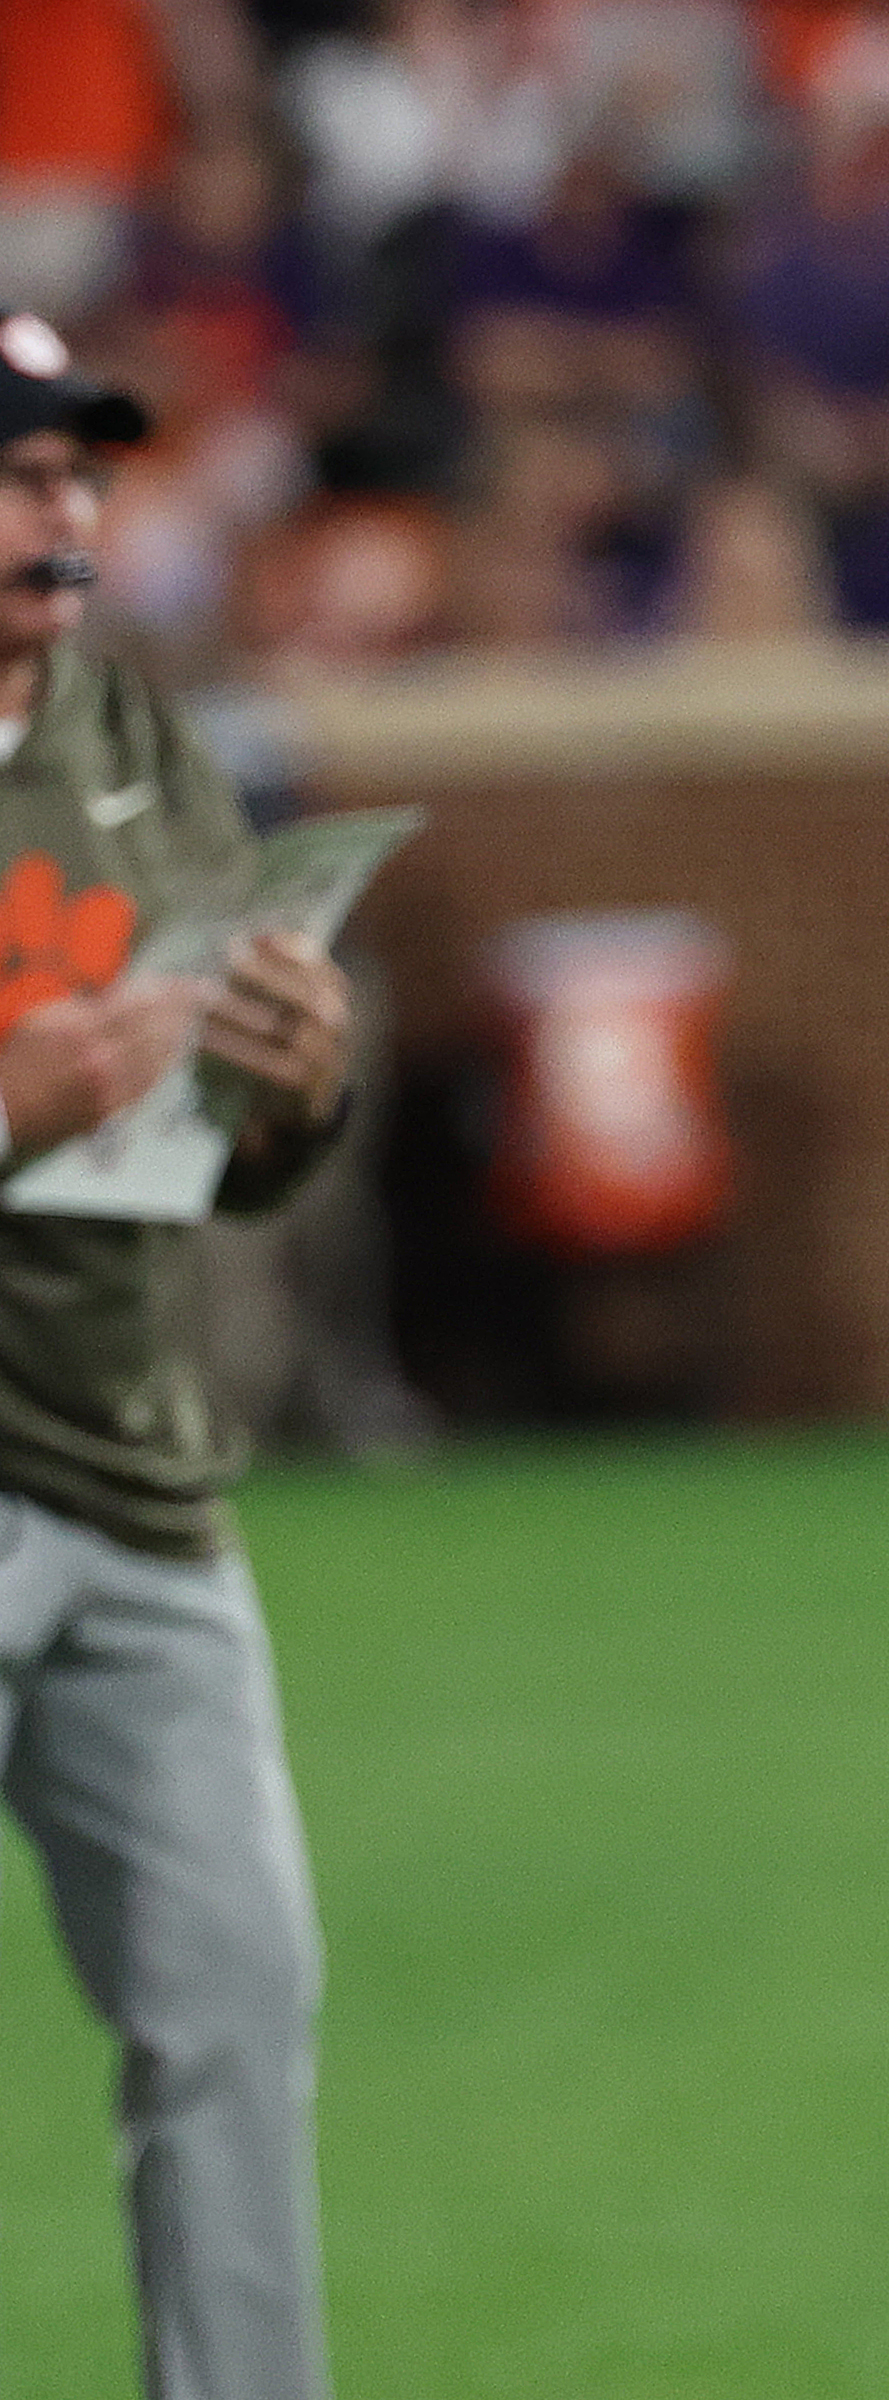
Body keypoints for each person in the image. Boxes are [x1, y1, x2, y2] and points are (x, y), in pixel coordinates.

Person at [0, 312, 356, 2400]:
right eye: (25, 472)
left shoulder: (130, 728)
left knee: (235, 2007)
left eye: (79, 475)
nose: (68, 509)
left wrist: (301, 1077)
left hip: (133, 1469)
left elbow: (228, 1145)